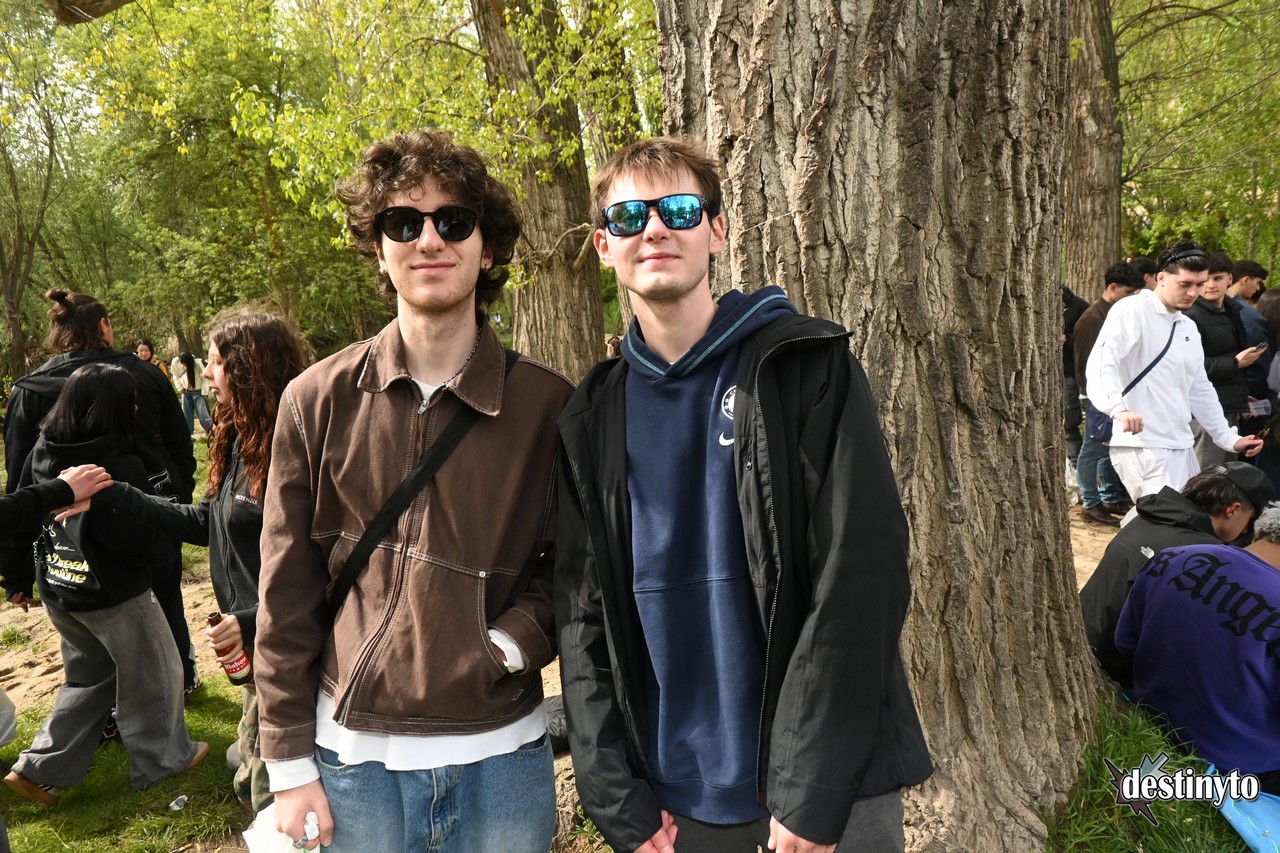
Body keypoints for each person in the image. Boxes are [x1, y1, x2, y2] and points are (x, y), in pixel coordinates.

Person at [556, 136, 932, 853]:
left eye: (679, 210)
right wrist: (615, 799)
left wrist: (812, 788)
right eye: (629, 216)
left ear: (718, 231)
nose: (655, 229)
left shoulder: (805, 366)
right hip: (677, 804)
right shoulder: (591, 416)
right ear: (605, 246)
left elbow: (860, 573)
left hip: (826, 794)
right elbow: (582, 621)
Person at [253, 130, 571, 852]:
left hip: (503, 763)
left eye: (453, 220)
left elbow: (577, 571)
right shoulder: (314, 400)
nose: (429, 240)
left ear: (487, 248)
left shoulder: (550, 406)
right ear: (378, 247)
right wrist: (288, 764)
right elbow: (286, 592)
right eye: (403, 222)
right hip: (352, 767)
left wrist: (507, 645)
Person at [60, 312, 308, 814]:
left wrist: (253, 619)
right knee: (250, 761)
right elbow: (207, 524)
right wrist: (114, 495)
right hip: (255, 636)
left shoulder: (296, 447)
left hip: (289, 638)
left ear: (249, 369)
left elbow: (324, 569)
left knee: (265, 794)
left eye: (215, 362)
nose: (206, 373)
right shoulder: (240, 436)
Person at [1, 364, 208, 806]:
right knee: (157, 672)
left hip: (60, 586)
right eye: (129, 402)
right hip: (113, 594)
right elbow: (135, 537)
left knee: (89, 679)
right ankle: (163, 760)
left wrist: (16, 574)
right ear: (109, 408)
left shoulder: (43, 447)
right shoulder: (115, 464)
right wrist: (163, 553)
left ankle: (38, 768)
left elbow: (23, 509)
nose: (135, 409)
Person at [2, 290, 199, 694]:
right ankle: (177, 683)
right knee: (161, 600)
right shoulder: (144, 374)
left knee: (86, 620)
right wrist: (177, 504)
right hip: (146, 517)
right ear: (104, 326)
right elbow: (180, 447)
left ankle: (125, 697)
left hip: (68, 534)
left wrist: (15, 569)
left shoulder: (28, 390)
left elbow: (20, 477)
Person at [1115, 502, 1280, 795]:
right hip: (1239, 765)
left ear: (1259, 532)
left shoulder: (1175, 556)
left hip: (1149, 715)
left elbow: (1125, 642)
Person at [1085, 241, 1263, 501]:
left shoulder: (1186, 326)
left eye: (1199, 284)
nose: (1193, 292)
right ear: (1161, 278)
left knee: (1184, 517)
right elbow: (1102, 362)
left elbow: (1199, 388)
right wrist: (1116, 407)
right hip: (1142, 444)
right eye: (1185, 284)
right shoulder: (1133, 309)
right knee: (1166, 519)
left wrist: (1228, 438)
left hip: (1182, 443)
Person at [1079, 462, 1273, 689]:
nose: (1245, 531)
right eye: (1249, 522)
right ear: (1233, 510)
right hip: (1119, 671)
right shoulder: (1204, 555)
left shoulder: (1146, 517)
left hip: (1084, 639)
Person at [1072, 262, 1144, 526]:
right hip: (1097, 396)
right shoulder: (1093, 319)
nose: (1133, 298)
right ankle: (1090, 502)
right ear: (1113, 287)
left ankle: (1109, 496)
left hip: (1114, 395)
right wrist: (1095, 396)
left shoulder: (1117, 315)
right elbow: (1086, 365)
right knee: (1092, 449)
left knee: (1105, 448)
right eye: (1128, 292)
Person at [1184, 252, 1261, 469]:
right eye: (1204, 280)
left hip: (1228, 405)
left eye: (1217, 278)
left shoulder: (1232, 309)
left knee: (1226, 474)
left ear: (1230, 278)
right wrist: (1235, 363)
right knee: (1206, 475)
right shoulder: (1190, 315)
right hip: (1202, 411)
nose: (1210, 285)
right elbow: (1189, 366)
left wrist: (1240, 392)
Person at [1063, 284, 1090, 467]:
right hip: (1055, 369)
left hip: (1071, 370)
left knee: (1070, 414)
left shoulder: (1081, 307)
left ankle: (1076, 459)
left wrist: (1067, 339)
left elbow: (1087, 338)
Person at [171, 351, 214, 435]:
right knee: (186, 414)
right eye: (183, 363)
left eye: (186, 363)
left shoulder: (197, 364)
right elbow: (175, 376)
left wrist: (204, 392)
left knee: (203, 413)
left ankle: (210, 432)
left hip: (198, 392)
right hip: (186, 392)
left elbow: (205, 378)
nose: (184, 365)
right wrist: (180, 388)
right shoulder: (175, 363)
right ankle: (188, 434)